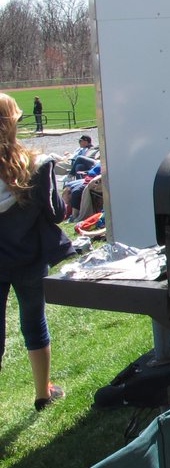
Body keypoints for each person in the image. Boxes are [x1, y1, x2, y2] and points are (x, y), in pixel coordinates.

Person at [0, 93, 68, 411]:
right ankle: (43, 394)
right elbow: (56, 213)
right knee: (34, 322)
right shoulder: (37, 166)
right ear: (14, 123)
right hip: (29, 260)